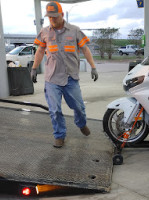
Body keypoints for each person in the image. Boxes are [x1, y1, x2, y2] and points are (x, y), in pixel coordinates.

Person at [30, 1, 98, 148]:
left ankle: (81, 124)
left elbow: (85, 49)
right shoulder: (45, 32)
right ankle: (59, 135)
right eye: (49, 17)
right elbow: (40, 51)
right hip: (52, 78)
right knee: (55, 110)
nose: (52, 19)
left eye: (55, 16)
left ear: (61, 15)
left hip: (70, 78)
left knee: (79, 107)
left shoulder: (74, 30)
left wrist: (93, 67)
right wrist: (34, 68)